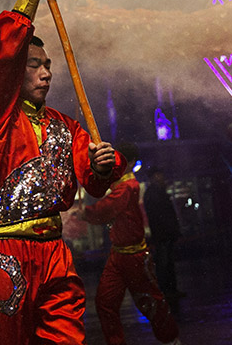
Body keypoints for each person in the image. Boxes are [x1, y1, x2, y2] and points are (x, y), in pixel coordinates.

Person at [0, 0, 124, 344]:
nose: (46, 72)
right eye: (34, 64)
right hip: (4, 253)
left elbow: (94, 178)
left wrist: (104, 165)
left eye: (48, 64)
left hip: (54, 253)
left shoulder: (64, 126)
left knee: (67, 337)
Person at [83, 144, 182, 345]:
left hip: (134, 257)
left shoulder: (129, 186)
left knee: (150, 302)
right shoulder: (120, 184)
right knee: (105, 303)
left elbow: (108, 207)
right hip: (117, 255)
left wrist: (86, 213)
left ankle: (170, 339)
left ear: (125, 163)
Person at [142, 167, 182, 310]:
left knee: (166, 263)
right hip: (163, 234)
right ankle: (168, 291)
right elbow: (163, 216)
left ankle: (168, 291)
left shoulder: (153, 193)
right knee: (165, 263)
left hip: (162, 233)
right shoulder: (156, 193)